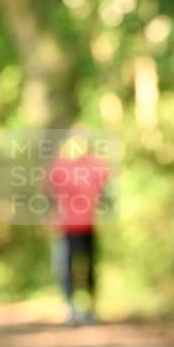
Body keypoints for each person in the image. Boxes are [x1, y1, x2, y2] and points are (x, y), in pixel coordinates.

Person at [46, 129, 110, 326]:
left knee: (89, 267)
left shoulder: (95, 164)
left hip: (88, 224)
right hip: (66, 227)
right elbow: (50, 190)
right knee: (65, 269)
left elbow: (103, 185)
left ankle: (91, 310)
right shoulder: (60, 164)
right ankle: (71, 309)